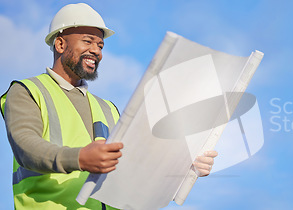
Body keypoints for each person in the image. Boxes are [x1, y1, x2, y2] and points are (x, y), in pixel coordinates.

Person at [0, 3, 217, 209]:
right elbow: (26, 147)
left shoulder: (107, 108)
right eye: (87, 41)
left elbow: (131, 169)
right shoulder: (28, 90)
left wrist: (183, 168)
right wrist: (80, 158)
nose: (97, 51)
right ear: (60, 44)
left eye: (100, 45)